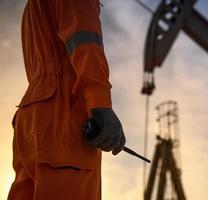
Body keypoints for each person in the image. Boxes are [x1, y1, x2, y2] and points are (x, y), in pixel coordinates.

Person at [8, 0, 125, 199]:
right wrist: (100, 103)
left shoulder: (33, 7)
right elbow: (85, 42)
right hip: (64, 113)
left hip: (33, 114)